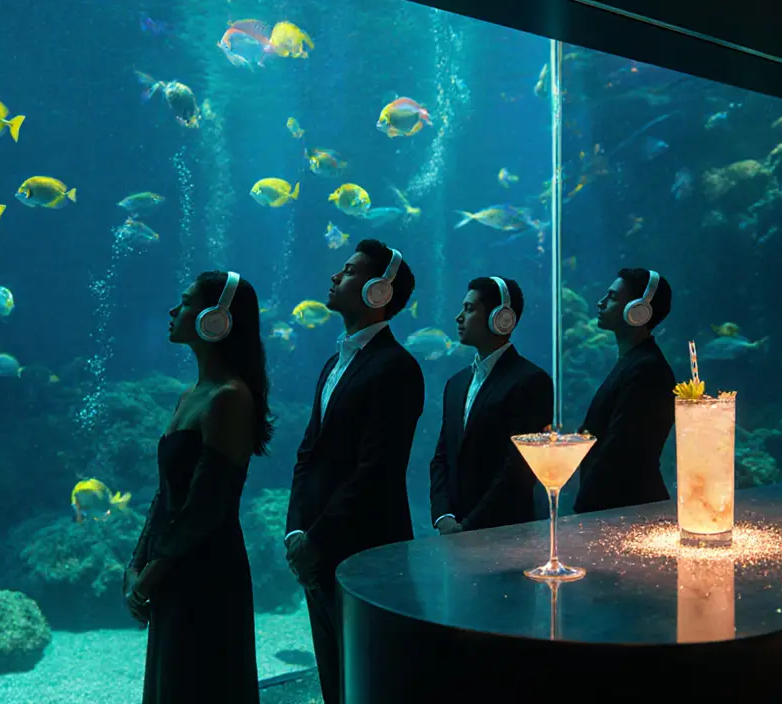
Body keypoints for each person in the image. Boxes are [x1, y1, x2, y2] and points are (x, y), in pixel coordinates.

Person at [284, 239, 425, 704]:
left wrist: (316, 539)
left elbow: (376, 471)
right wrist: (295, 532)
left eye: (346, 271)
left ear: (378, 291)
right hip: (317, 551)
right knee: (333, 677)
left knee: (371, 680)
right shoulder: (333, 364)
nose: (333, 277)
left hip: (365, 552)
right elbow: (308, 453)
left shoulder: (397, 367)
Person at [124, 271, 274, 704]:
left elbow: (208, 503)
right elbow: (165, 494)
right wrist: (135, 565)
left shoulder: (230, 397)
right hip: (173, 567)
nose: (174, 310)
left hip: (207, 572)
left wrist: (150, 574)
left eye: (186, 302)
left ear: (216, 320)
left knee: (199, 684)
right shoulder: (190, 396)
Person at [430, 276, 552, 534]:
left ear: (501, 318)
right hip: (454, 533)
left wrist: (469, 526)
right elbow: (442, 457)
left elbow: (518, 468)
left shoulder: (531, 381)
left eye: (470, 309)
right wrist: (443, 516)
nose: (459, 317)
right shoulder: (456, 383)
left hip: (505, 535)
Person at [572, 268, 676, 513]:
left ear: (639, 311)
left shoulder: (647, 370)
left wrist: (582, 510)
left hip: (628, 511)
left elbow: (621, 453)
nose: (601, 302)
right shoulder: (632, 363)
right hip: (618, 508)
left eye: (613, 297)